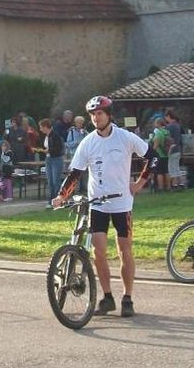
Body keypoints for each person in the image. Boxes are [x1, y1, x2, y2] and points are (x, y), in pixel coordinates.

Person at [52, 96, 155, 318]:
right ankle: (107, 298)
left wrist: (139, 184)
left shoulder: (125, 138)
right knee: (98, 250)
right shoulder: (88, 142)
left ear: (109, 115)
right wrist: (62, 195)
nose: (96, 117)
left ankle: (127, 297)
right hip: (97, 203)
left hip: (121, 203)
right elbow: (75, 174)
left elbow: (153, 158)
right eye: (93, 114)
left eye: (100, 113)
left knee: (124, 249)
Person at [38, 118, 65, 210]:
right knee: (50, 182)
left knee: (55, 181)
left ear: (46, 127)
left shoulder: (55, 135)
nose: (40, 129)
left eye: (41, 127)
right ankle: (51, 200)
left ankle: (57, 201)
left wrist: (48, 150)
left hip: (56, 159)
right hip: (49, 159)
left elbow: (59, 149)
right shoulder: (46, 136)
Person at [164, 110, 185, 190]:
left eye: (166, 117)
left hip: (172, 149)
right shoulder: (178, 125)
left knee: (171, 167)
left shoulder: (169, 127)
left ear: (168, 116)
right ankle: (181, 183)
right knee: (177, 167)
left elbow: (169, 139)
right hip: (178, 148)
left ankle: (174, 184)